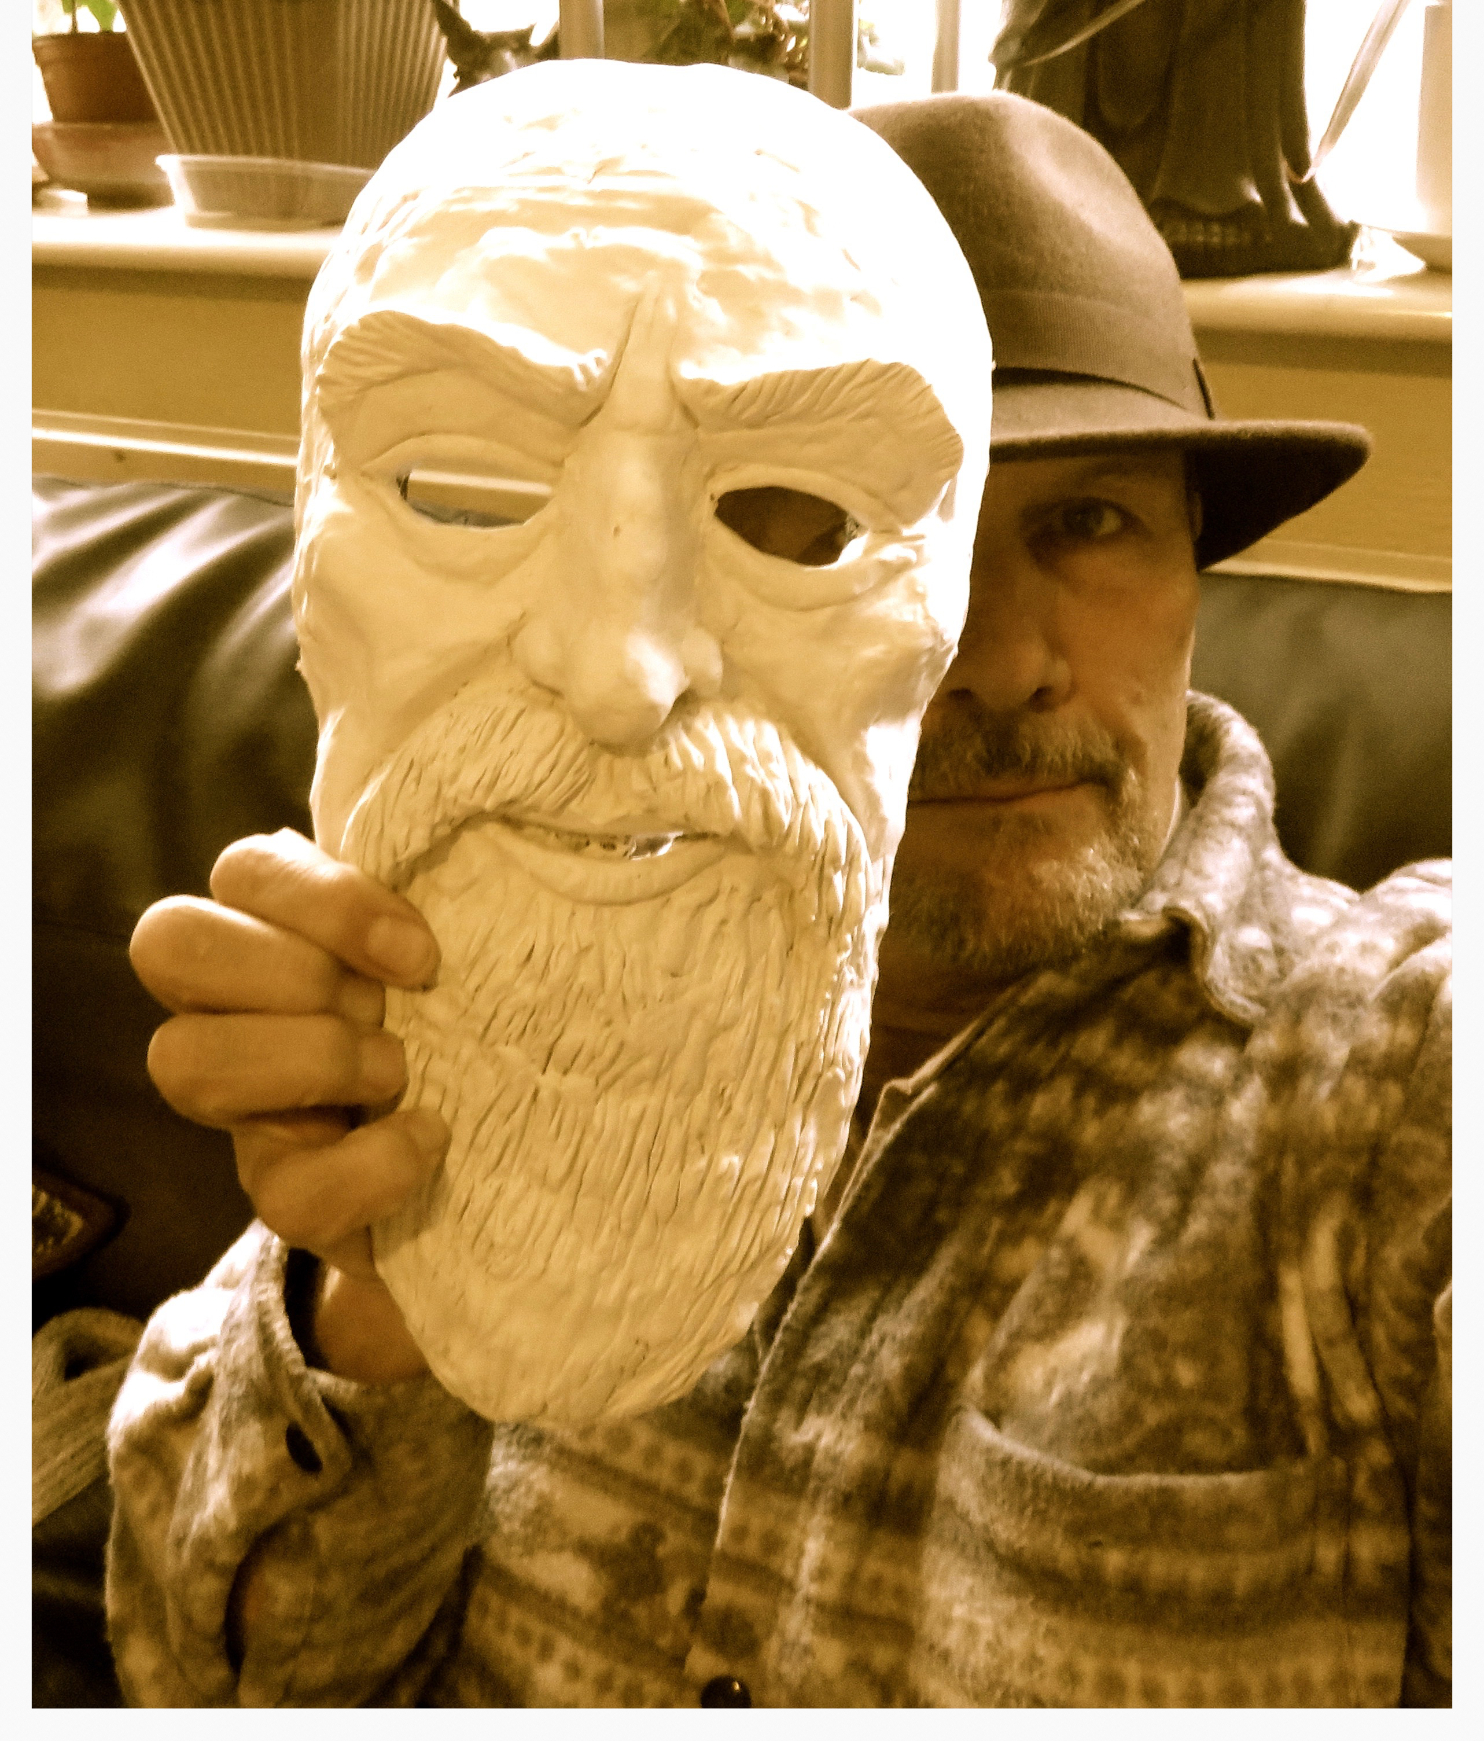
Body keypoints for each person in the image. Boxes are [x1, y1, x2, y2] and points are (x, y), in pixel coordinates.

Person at [113, 90, 1450, 1709]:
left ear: (1192, 567)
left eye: (1089, 523)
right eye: (815, 528)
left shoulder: (1390, 1093)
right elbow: (202, 1680)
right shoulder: (479, 966)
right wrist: (376, 1296)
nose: (999, 657)